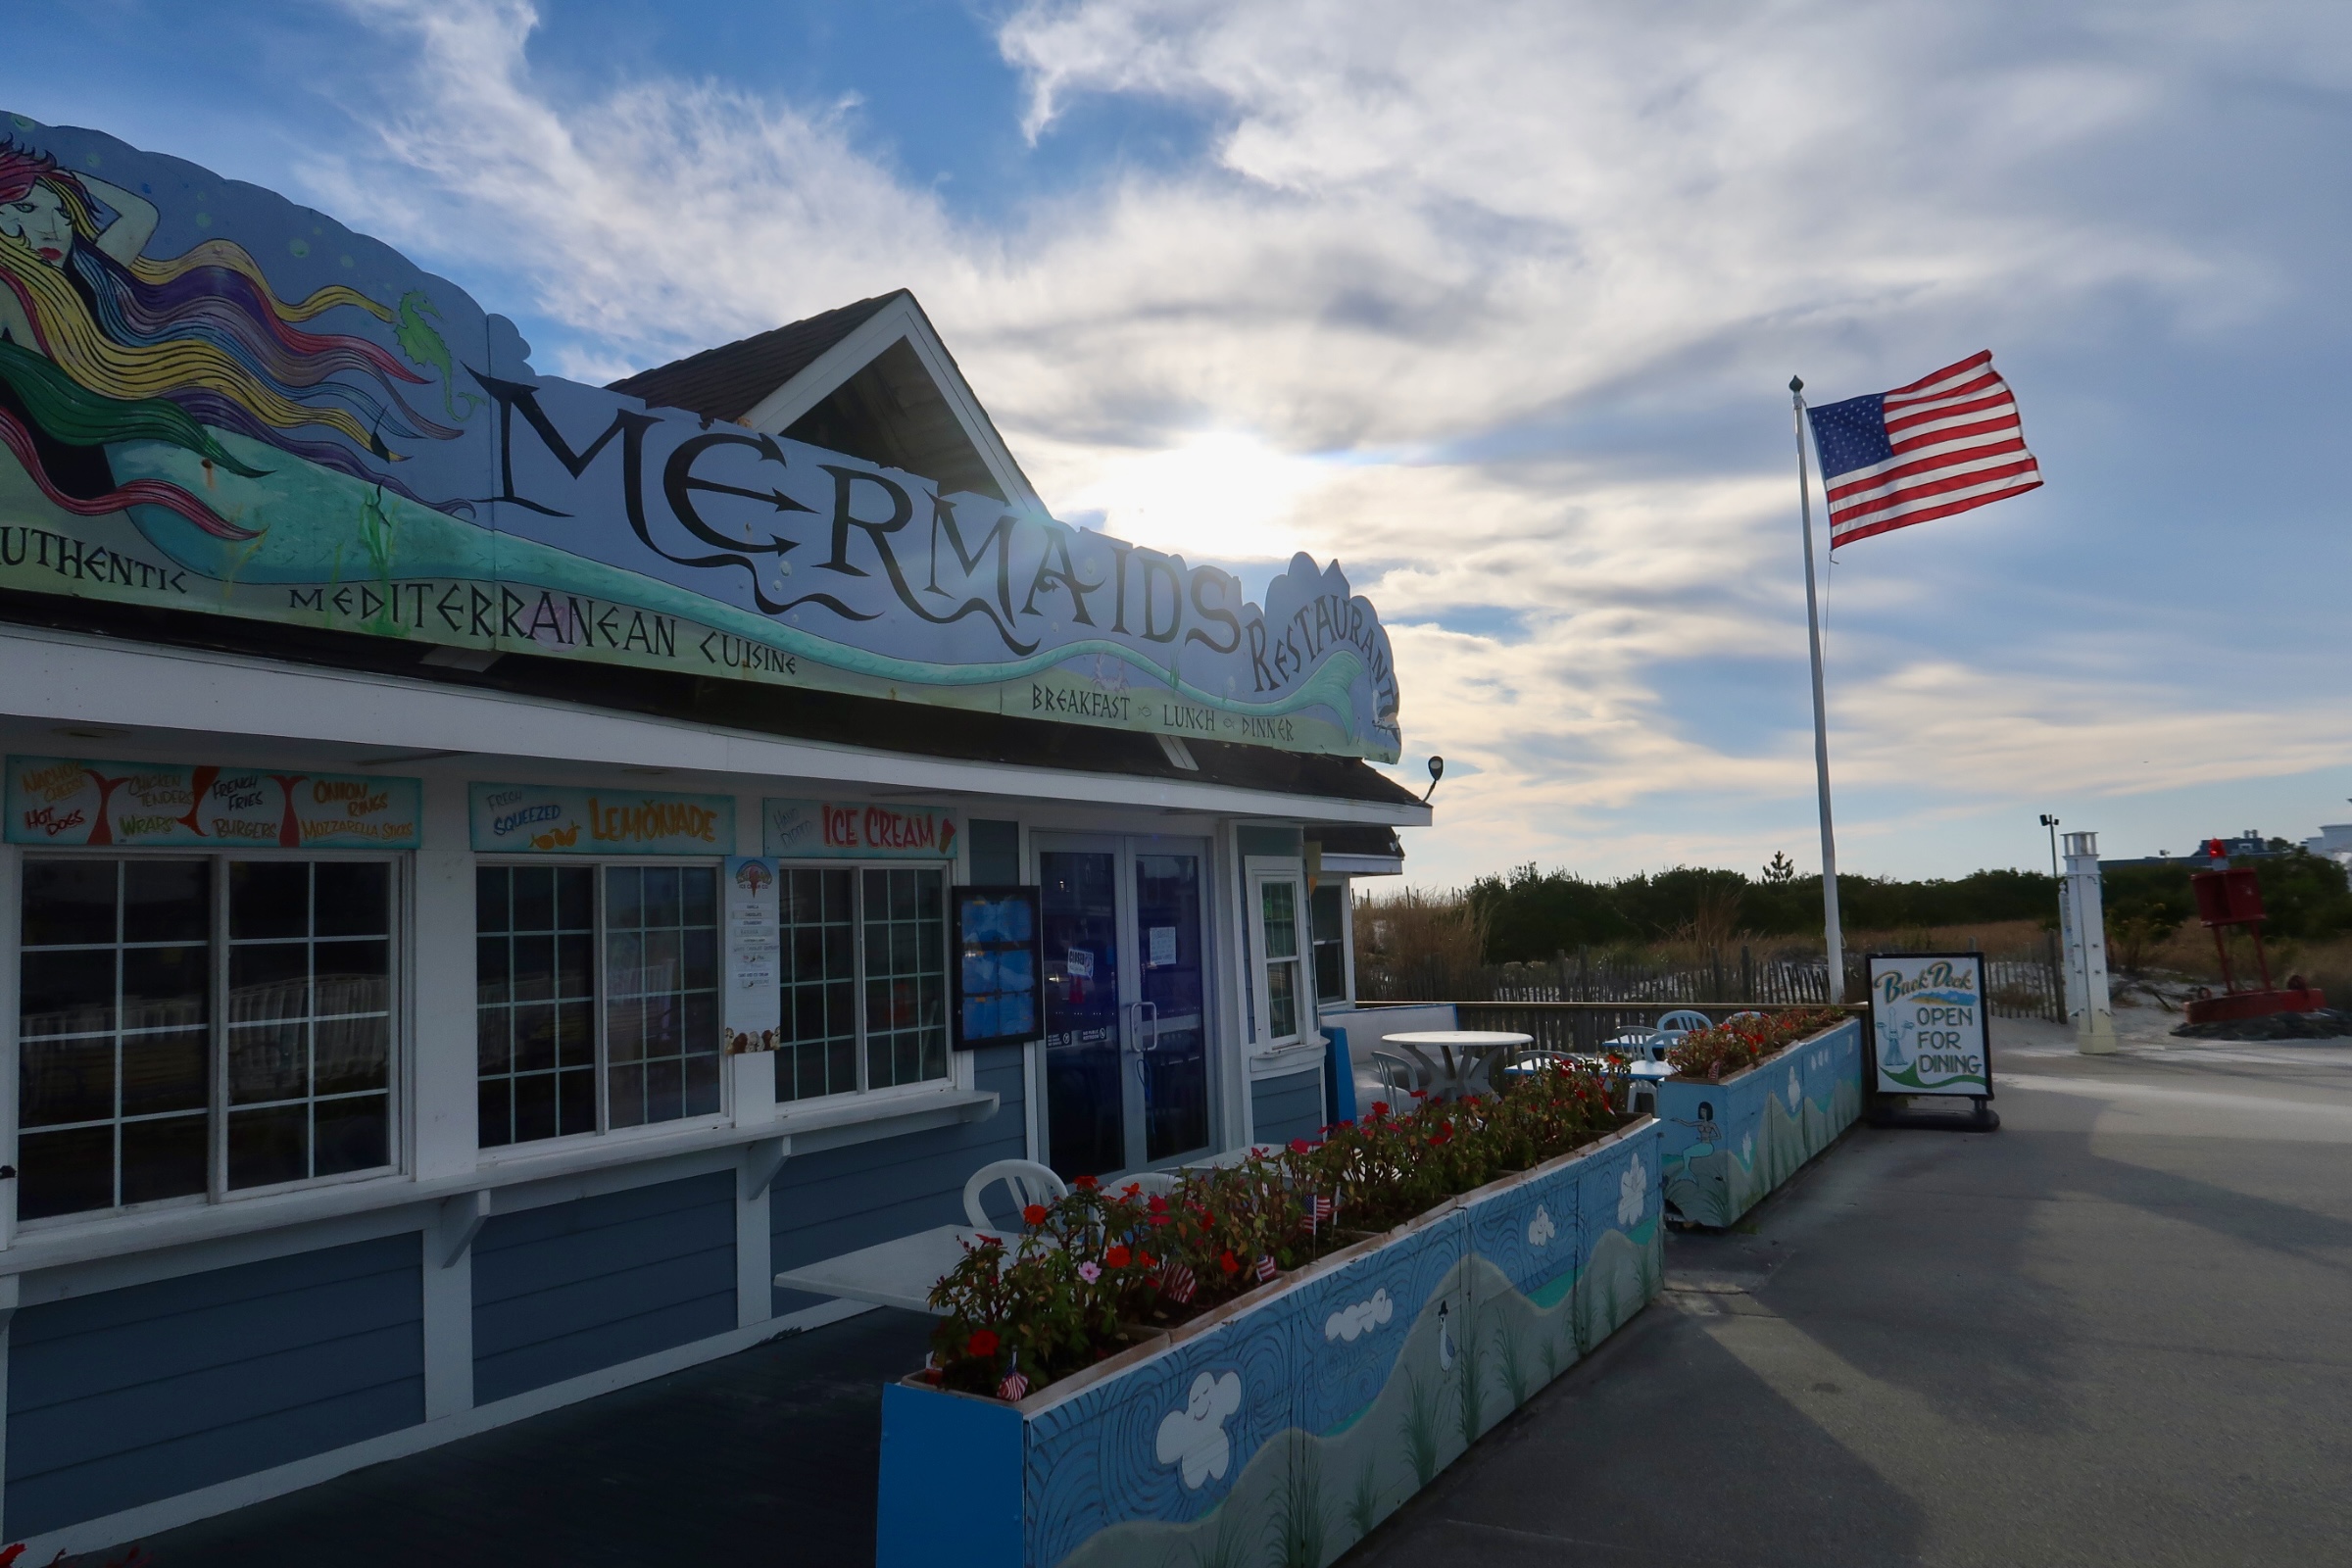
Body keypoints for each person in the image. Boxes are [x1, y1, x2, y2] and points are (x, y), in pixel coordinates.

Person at [0, 137, 460, 538]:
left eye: (61, 212)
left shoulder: (87, 275)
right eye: (24, 208)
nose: (51, 227)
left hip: (103, 471)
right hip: (46, 475)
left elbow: (140, 213)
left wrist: (59, 172)